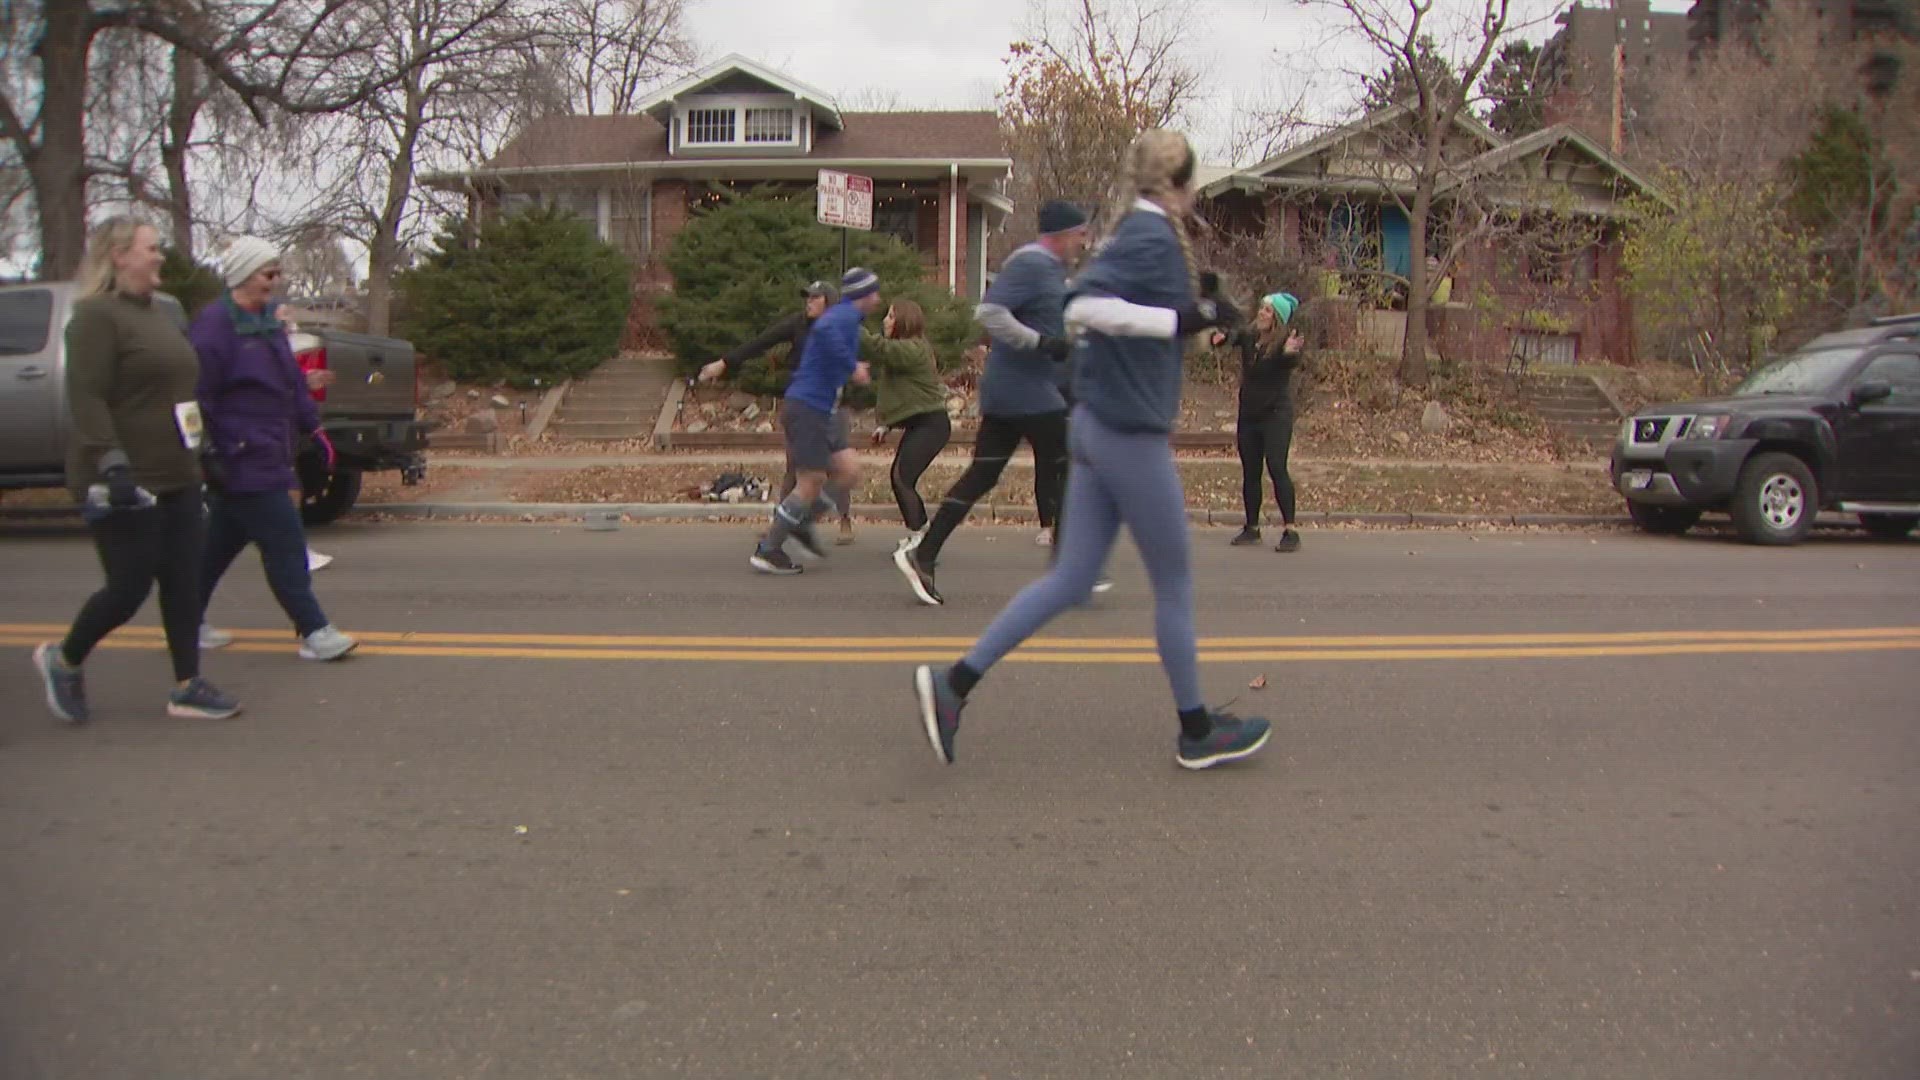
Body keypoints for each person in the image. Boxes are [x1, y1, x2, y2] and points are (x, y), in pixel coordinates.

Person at [910, 130, 1271, 771]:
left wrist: (1204, 307)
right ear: (1181, 183)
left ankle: (954, 685)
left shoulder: (1145, 233)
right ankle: (1195, 732)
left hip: (1098, 430)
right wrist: (1181, 319)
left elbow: (1121, 306)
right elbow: (1083, 306)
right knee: (1175, 585)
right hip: (1129, 437)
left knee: (1073, 579)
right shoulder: (1149, 233)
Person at [30, 217, 242, 722]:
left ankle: (187, 685)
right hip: (123, 479)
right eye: (151, 248)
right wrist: (111, 461)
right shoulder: (95, 316)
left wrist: (204, 448)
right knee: (129, 588)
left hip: (178, 471)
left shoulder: (160, 314)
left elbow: (179, 393)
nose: (160, 257)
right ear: (120, 255)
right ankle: (64, 658)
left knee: (183, 582)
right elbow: (87, 395)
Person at [893, 199, 1091, 607]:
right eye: (1080, 233)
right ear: (1061, 234)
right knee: (1072, 465)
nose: (1084, 241)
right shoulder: (1031, 263)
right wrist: (1040, 343)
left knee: (981, 477)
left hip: (1016, 392)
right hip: (1025, 392)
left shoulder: (1055, 273)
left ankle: (923, 554)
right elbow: (989, 312)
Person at [193, 236, 358, 661]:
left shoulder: (269, 323)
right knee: (285, 540)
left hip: (272, 445)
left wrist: (314, 429)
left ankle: (184, 617)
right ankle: (314, 630)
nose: (276, 280)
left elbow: (288, 381)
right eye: (269, 273)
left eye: (276, 272)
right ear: (244, 276)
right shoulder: (214, 326)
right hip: (241, 453)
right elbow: (200, 396)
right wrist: (209, 450)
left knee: (218, 546)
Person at [741, 267, 881, 575]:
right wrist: (852, 366)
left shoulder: (849, 318)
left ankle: (802, 521)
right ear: (864, 295)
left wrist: (850, 368)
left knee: (849, 471)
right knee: (811, 480)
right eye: (875, 293)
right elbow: (825, 332)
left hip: (823, 409)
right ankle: (770, 549)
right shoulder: (840, 317)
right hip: (807, 407)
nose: (878, 298)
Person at [699, 281, 855, 543]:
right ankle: (779, 525)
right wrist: (724, 363)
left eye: (814, 298)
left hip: (832, 405)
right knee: (794, 466)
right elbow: (761, 342)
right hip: (804, 405)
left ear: (829, 302)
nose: (808, 301)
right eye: (807, 297)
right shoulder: (797, 324)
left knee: (838, 466)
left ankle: (845, 520)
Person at [1214, 291, 1306, 551]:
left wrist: (1287, 354)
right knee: (1250, 471)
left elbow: (1289, 361)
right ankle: (1252, 528)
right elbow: (1234, 335)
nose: (1262, 313)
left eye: (1267, 310)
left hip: (1276, 414)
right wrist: (1220, 337)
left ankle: (1291, 531)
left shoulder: (1285, 343)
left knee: (1276, 467)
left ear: (1277, 317)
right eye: (1262, 308)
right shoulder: (1250, 335)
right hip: (1250, 414)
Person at [858, 298, 951, 548]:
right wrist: (885, 425)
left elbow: (877, 348)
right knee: (900, 477)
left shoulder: (913, 348)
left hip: (932, 425)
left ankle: (922, 537)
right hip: (921, 424)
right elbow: (904, 394)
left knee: (902, 478)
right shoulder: (905, 350)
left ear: (904, 321)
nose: (885, 321)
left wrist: (847, 321)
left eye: (890, 316)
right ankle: (920, 533)